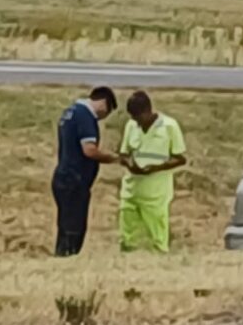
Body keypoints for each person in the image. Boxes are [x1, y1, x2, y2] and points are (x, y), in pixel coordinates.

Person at [53, 86, 120, 257]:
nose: (103, 117)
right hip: (75, 180)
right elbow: (89, 150)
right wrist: (112, 157)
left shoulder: (71, 112)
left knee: (65, 223)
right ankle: (68, 255)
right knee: (74, 226)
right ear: (104, 104)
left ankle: (62, 254)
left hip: (63, 176)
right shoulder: (85, 117)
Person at [117, 91, 188, 254]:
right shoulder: (131, 125)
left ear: (148, 111)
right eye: (133, 118)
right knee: (127, 233)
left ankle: (158, 261)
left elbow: (180, 158)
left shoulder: (169, 126)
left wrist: (155, 168)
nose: (137, 122)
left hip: (156, 193)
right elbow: (123, 154)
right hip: (131, 190)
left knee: (157, 234)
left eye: (139, 117)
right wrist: (130, 164)